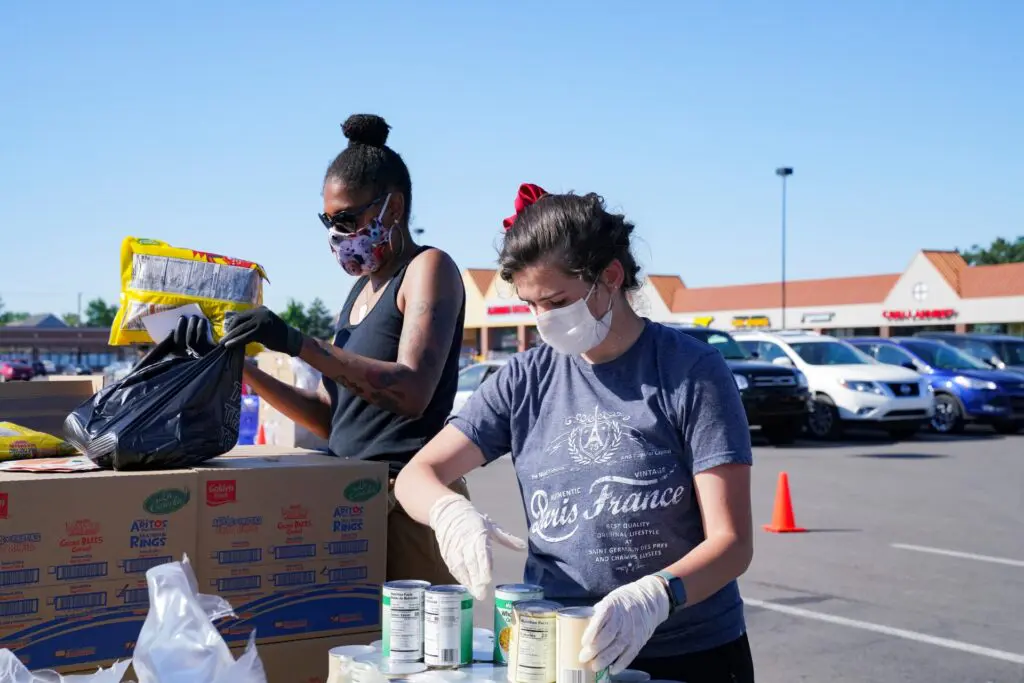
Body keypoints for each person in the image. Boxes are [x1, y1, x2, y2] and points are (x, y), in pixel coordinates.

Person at [394, 184, 755, 682]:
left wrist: (656, 596)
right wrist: (449, 512)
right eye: (531, 305)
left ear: (609, 277)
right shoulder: (525, 379)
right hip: (560, 652)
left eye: (557, 300)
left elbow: (732, 542)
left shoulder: (690, 371)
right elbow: (417, 475)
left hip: (687, 650)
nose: (544, 320)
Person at [174, 114, 468, 585]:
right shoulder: (359, 295)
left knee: (420, 653)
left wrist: (296, 343)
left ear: (393, 208)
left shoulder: (427, 269)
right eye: (328, 221)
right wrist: (240, 365)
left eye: (348, 219)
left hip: (408, 504)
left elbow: (412, 391)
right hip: (353, 502)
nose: (337, 234)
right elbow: (334, 420)